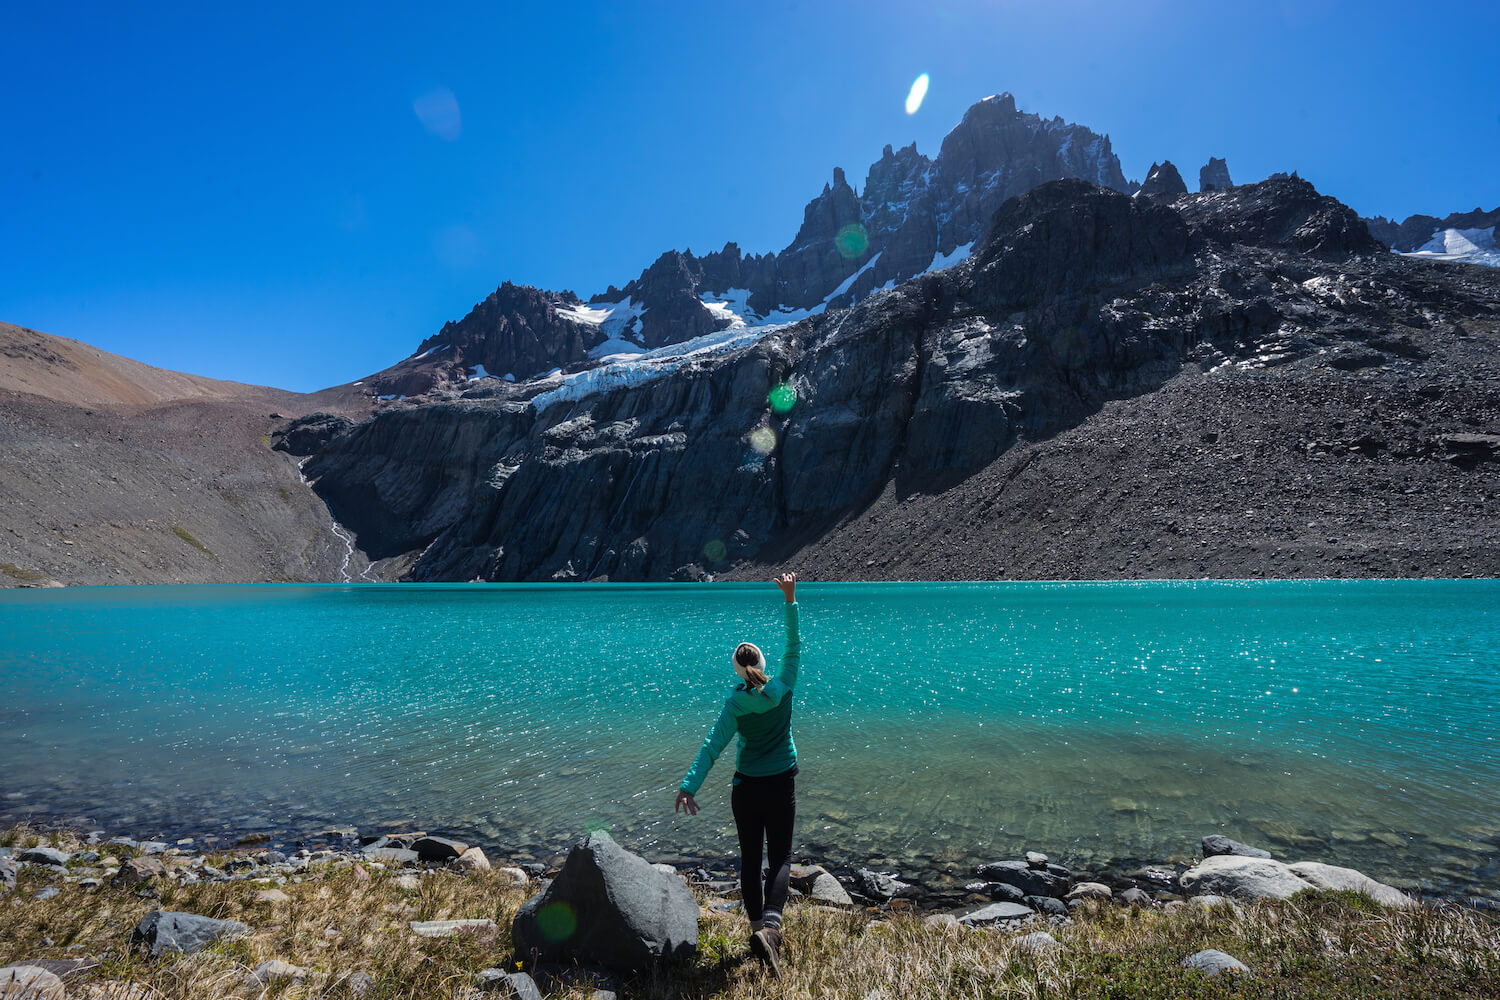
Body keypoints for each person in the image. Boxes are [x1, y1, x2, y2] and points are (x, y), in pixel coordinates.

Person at [676, 571, 801, 976]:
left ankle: (755, 931)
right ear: (763, 664)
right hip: (780, 782)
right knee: (780, 857)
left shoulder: (734, 705)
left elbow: (712, 746)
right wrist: (789, 599)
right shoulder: (784, 686)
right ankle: (771, 929)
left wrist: (688, 786)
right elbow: (794, 647)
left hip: (745, 788)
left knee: (751, 859)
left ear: (737, 671)